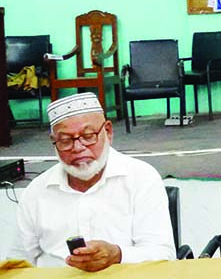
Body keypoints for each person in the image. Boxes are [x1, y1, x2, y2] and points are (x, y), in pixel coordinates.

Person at [7, 92, 175, 271]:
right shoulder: (37, 191)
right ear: (53, 141)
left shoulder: (141, 178)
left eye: (88, 136)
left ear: (108, 132)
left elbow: (163, 255)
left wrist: (118, 255)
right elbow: (19, 262)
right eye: (65, 141)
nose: (78, 148)